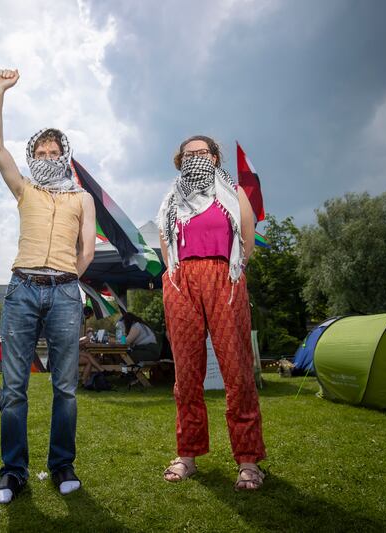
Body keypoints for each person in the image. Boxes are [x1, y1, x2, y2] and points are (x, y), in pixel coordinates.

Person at [0, 68, 96, 504]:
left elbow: (86, 249)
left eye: (55, 151)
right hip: (22, 291)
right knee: (14, 387)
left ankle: (61, 465)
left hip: (66, 292)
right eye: (41, 151)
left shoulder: (81, 197)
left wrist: (68, 277)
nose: (48, 156)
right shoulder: (24, 189)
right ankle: (13, 472)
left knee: (64, 387)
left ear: (64, 155)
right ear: (34, 156)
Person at [156, 135, 266, 491]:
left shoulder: (233, 194)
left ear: (215, 158)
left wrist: (232, 272)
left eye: (202, 152)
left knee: (236, 370)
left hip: (224, 276)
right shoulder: (172, 198)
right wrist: (173, 276)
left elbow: (247, 240)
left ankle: (248, 461)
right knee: (187, 373)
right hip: (182, 280)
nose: (196, 158)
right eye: (189, 155)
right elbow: (166, 245)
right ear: (180, 162)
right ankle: (187, 454)